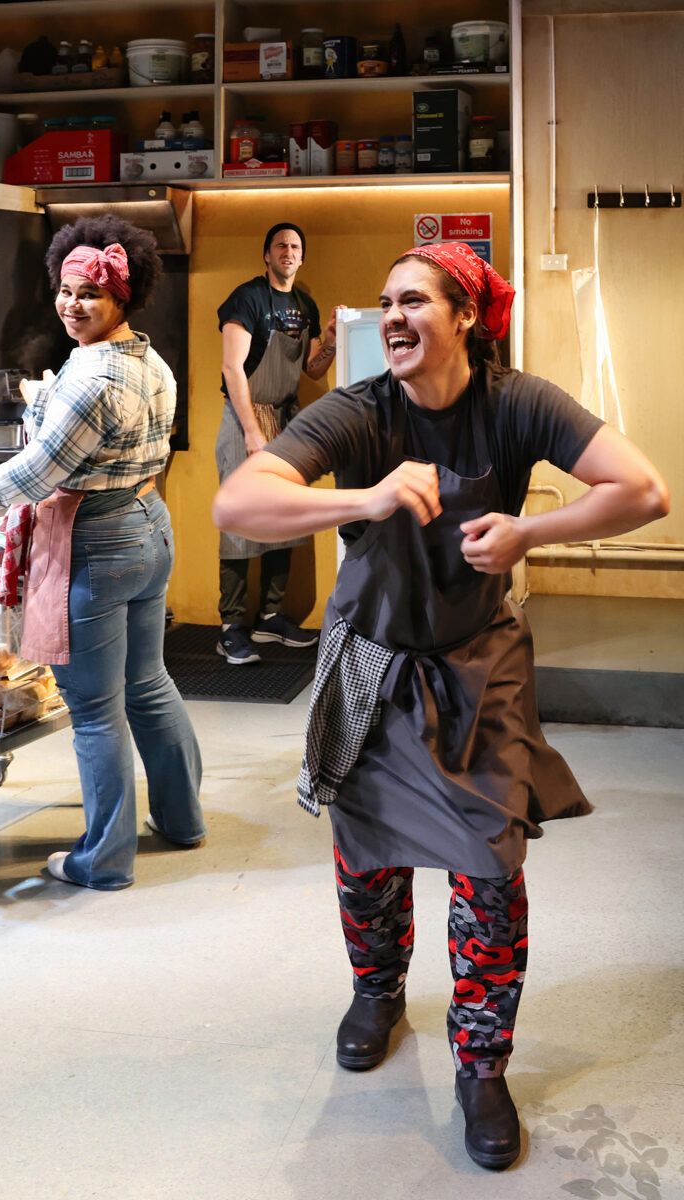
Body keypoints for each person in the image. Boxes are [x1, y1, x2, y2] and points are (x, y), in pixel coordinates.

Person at [213, 242, 669, 1168]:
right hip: (369, 666)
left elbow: (644, 489)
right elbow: (239, 504)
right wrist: (364, 498)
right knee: (366, 861)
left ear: (465, 316)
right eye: (384, 301)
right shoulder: (360, 411)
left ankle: (481, 1064)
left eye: (413, 300)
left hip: (476, 669)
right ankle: (377, 991)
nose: (392, 316)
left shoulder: (517, 404)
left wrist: (530, 530)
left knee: (490, 876)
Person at [0, 214, 205, 891]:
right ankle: (182, 820)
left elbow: (39, 473)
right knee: (148, 684)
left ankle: (103, 860)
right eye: (65, 291)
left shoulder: (91, 380)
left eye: (89, 294)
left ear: (123, 296)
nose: (71, 305)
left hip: (96, 539)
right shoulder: (147, 360)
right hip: (148, 523)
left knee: (95, 708)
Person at [214, 222, 341, 664]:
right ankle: (231, 625)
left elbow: (314, 371)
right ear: (266, 255)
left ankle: (270, 616)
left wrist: (333, 341)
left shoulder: (304, 305)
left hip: (287, 419)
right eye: (280, 246)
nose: (288, 252)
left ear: (301, 257)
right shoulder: (246, 299)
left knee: (283, 517)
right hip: (245, 417)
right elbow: (233, 369)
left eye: (295, 247)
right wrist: (251, 431)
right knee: (239, 523)